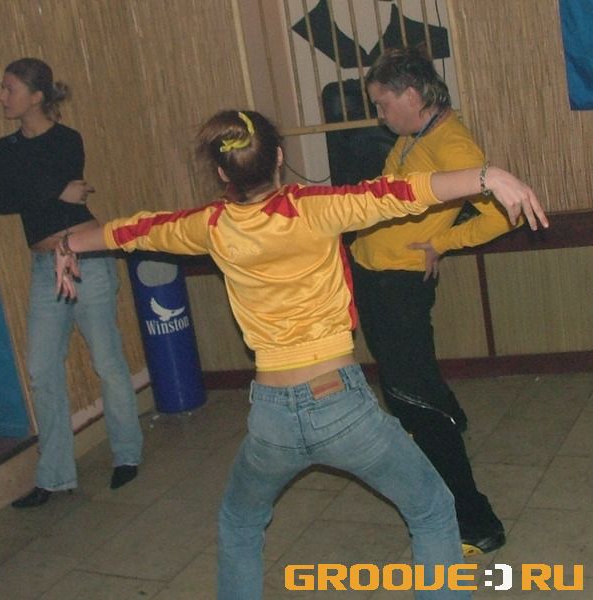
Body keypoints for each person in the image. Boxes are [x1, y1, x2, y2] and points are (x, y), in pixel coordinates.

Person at [53, 109, 547, 599]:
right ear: (279, 159)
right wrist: (488, 177)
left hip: (271, 419)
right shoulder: (314, 208)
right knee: (434, 509)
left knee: (240, 524)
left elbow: (135, 230)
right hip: (341, 406)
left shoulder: (210, 225)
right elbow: (403, 193)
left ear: (223, 173)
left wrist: (68, 244)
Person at [350, 46, 517, 555]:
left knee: (412, 399)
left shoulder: (453, 145)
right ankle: (447, 420)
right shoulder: (413, 136)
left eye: (382, 104)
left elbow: (501, 214)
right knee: (405, 385)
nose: (379, 115)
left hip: (399, 285)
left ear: (411, 95)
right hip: (375, 274)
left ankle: (476, 521)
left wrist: (443, 242)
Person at [0, 58, 143, 508]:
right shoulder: (2, 147)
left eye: (10, 89)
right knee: (41, 369)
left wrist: (22, 190)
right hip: (44, 266)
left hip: (86, 257)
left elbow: (14, 191)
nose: (2, 96)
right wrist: (54, 191)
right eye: (2, 88)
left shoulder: (67, 139)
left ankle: (127, 454)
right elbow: (4, 201)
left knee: (107, 360)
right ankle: (54, 476)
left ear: (36, 97)